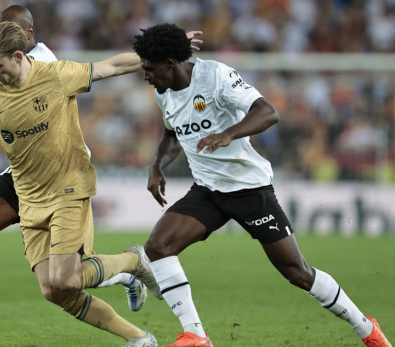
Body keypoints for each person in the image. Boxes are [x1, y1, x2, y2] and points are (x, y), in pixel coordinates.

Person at [132, 23, 392, 347]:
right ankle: (196, 336)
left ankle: (366, 328)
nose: (145, 75)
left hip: (249, 189)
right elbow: (172, 134)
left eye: (148, 67)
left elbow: (267, 112)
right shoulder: (163, 92)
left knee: (297, 273)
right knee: (158, 247)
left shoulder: (215, 77)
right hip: (208, 189)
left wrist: (229, 133)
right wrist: (157, 165)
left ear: (169, 62)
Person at [0, 21, 160, 347]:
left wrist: (156, 54)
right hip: (29, 196)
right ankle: (140, 339)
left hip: (68, 188)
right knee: (55, 291)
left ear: (19, 56)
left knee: (67, 277)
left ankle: (134, 261)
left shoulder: (55, 75)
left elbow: (111, 66)